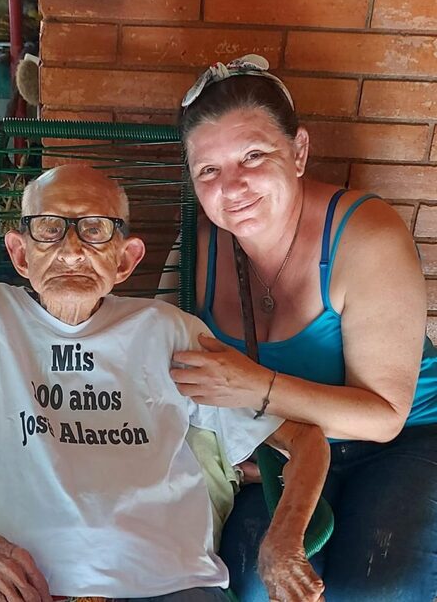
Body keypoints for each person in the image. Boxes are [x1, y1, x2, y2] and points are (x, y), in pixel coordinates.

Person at [0, 165, 329, 602]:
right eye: (49, 229)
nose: (71, 250)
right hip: (22, 589)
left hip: (171, 587)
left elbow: (305, 438)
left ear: (125, 260)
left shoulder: (170, 332)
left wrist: (282, 542)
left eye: (95, 230)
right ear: (20, 254)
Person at [170, 54, 437, 602]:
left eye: (253, 156)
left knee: (380, 587)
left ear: (299, 152)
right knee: (249, 584)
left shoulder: (367, 235)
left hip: (401, 442)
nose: (233, 186)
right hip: (278, 445)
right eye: (209, 171)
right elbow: (165, 367)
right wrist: (225, 449)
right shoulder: (199, 248)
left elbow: (385, 416)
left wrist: (255, 386)